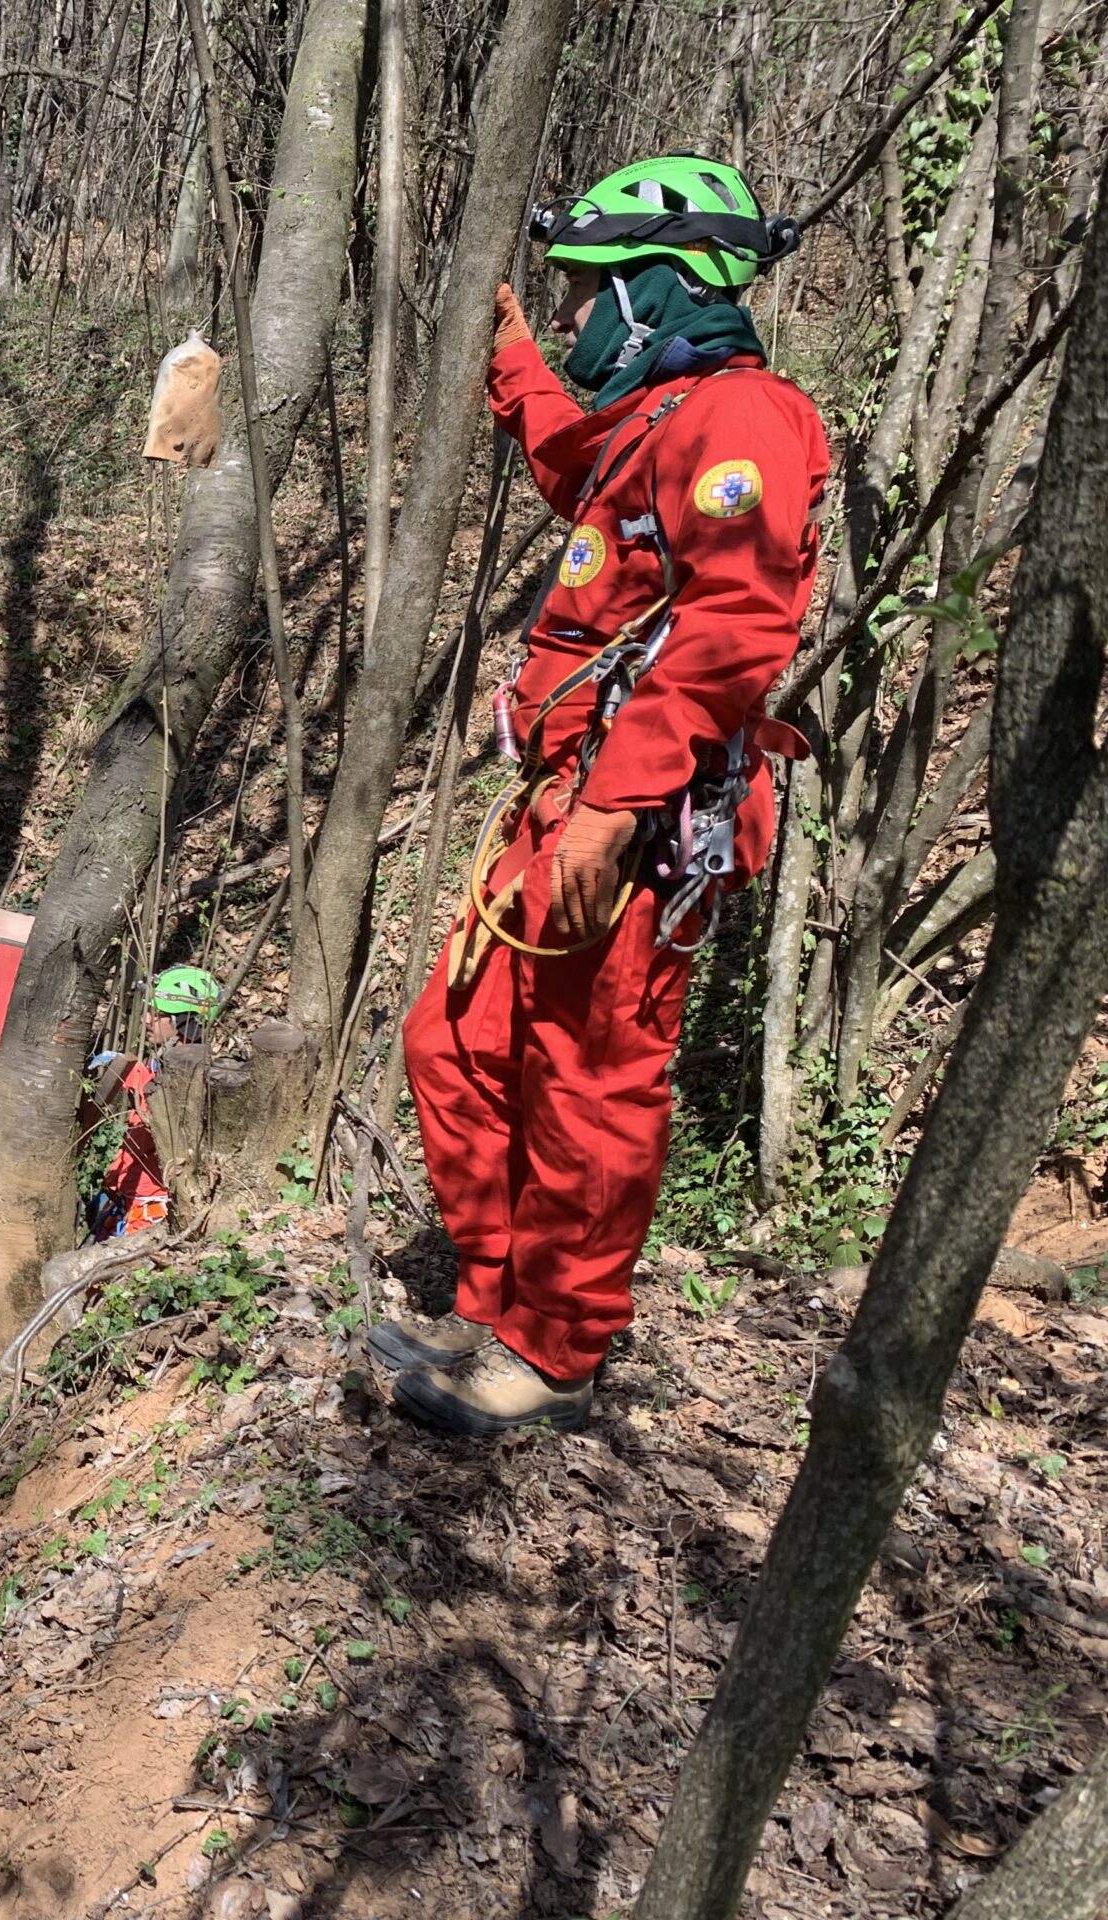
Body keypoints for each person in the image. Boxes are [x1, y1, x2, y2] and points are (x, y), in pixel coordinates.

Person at [382, 154, 826, 1435]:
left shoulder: (742, 418)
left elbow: (738, 621)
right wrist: (510, 355)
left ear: (656, 287)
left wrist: (612, 805)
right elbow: (572, 468)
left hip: (633, 823)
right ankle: (491, 1305)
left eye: (586, 294)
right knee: (453, 1042)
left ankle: (557, 1356)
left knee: (589, 1079)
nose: (577, 319)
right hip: (567, 804)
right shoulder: (650, 424)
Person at [88, 965, 222, 1239]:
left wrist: (132, 1075)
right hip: (130, 1194)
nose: (148, 1018)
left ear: (185, 1021)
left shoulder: (191, 1074)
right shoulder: (161, 1062)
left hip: (153, 1201)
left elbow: (160, 1123)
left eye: (158, 1014)